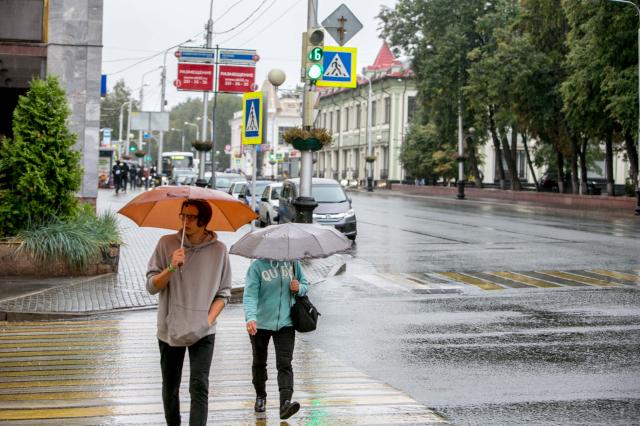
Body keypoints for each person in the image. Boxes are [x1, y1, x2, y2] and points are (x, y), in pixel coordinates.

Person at [146, 199, 232, 426]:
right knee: (170, 387)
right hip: (170, 329)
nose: (185, 221)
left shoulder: (219, 250)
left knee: (199, 386)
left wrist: (207, 321)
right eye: (183, 215)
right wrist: (171, 267)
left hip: (203, 331)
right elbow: (151, 286)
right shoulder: (166, 244)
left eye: (191, 217)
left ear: (204, 221)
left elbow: (223, 294)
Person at [243, 259, 309, 420]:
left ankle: (285, 403)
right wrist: (250, 318)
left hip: (286, 323)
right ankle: (260, 397)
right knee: (259, 361)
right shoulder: (257, 266)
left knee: (285, 364)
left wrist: (299, 288)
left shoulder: (293, 263)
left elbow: (306, 284)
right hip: (260, 324)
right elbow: (250, 295)